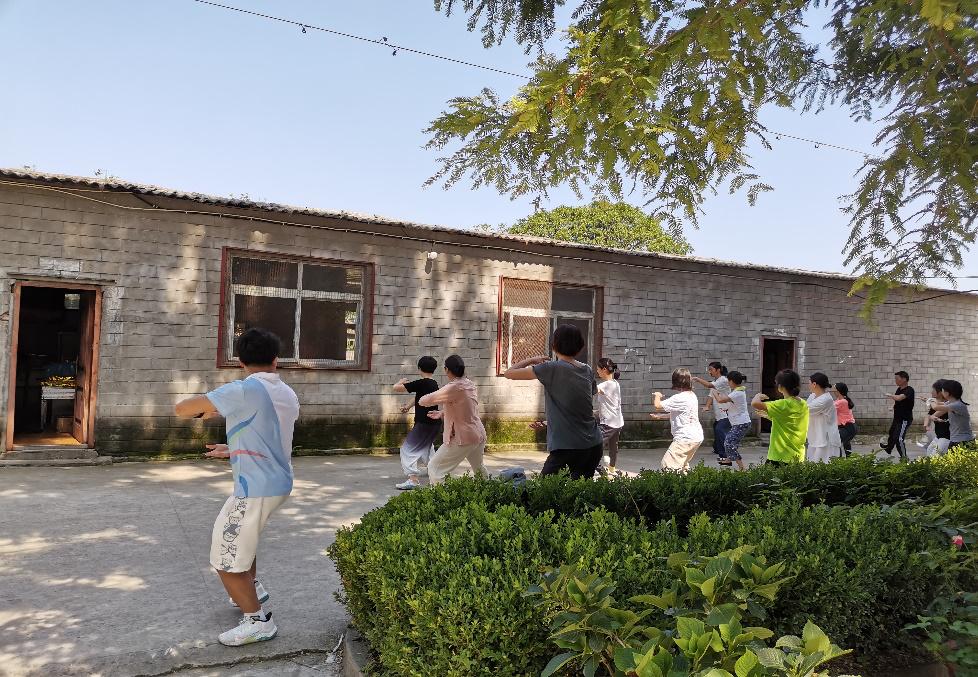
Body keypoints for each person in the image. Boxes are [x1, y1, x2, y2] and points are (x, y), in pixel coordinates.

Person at [174, 328, 299, 647]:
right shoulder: (286, 392)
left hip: (256, 487)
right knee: (244, 539)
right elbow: (271, 434)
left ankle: (258, 622)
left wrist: (211, 405)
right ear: (276, 360)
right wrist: (234, 448)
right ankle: (252, 588)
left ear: (240, 362)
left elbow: (182, 408)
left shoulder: (244, 389)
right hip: (277, 481)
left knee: (224, 557)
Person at [504, 325, 604, 480]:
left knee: (545, 491)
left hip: (567, 447)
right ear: (580, 347)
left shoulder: (551, 368)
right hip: (594, 444)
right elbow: (579, 406)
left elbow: (509, 373)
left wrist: (532, 360)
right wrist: (548, 422)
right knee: (580, 490)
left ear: (554, 345)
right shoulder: (587, 369)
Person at [418, 355, 487, 483]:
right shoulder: (469, 384)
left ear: (447, 370)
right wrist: (443, 413)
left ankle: (442, 496)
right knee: (479, 468)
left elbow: (424, 401)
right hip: (478, 434)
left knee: (435, 468)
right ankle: (488, 491)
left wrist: (423, 387)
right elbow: (465, 407)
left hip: (463, 437)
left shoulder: (453, 387)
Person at [392, 356, 441, 490]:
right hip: (434, 424)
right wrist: (407, 407)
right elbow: (418, 398)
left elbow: (396, 388)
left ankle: (413, 479)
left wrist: (400, 382)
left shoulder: (422, 383)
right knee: (427, 448)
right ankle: (437, 472)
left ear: (419, 368)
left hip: (424, 424)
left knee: (407, 450)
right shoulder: (434, 384)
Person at [651, 368, 704, 473]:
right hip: (696, 437)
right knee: (682, 466)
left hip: (685, 438)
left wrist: (657, 395)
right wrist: (661, 416)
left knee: (668, 465)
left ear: (675, 381)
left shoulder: (679, 398)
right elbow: (681, 413)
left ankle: (675, 483)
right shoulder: (692, 395)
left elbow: (657, 405)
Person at [751, 369, 808, 465]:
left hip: (779, 456)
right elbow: (789, 421)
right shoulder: (803, 403)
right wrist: (768, 416)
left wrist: (758, 395)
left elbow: (755, 403)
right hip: (797, 456)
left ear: (780, 387)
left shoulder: (782, 404)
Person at [709, 370, 750, 470]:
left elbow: (720, 400)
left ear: (731, 381)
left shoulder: (737, 393)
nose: (728, 383)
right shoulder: (737, 391)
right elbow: (733, 404)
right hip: (740, 423)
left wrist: (713, 391)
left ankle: (742, 467)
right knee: (730, 442)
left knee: (728, 443)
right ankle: (728, 459)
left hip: (741, 423)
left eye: (728, 381)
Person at [693, 362, 730, 458]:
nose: (709, 371)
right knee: (716, 427)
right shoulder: (716, 382)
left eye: (711, 369)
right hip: (719, 413)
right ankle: (717, 448)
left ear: (718, 370)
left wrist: (698, 379)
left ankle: (724, 454)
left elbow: (709, 385)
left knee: (719, 429)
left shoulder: (723, 380)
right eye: (709, 369)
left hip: (726, 412)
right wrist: (707, 406)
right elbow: (711, 395)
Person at [595, 357, 624, 474]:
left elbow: (590, 389)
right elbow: (610, 404)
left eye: (598, 369)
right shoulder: (615, 383)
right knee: (613, 447)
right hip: (617, 422)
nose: (597, 371)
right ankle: (612, 469)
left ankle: (600, 469)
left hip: (609, 424)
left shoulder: (606, 385)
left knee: (594, 444)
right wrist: (596, 412)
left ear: (604, 369)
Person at [806, 372, 843, 463]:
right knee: (811, 466)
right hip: (815, 438)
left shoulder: (826, 399)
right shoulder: (812, 396)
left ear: (814, 384)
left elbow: (804, 410)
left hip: (826, 441)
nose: (808, 385)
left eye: (809, 383)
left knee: (823, 466)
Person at [932, 380, 975, 452]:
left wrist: (931, 401)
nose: (941, 393)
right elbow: (939, 404)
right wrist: (928, 400)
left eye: (942, 391)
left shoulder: (957, 405)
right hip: (955, 440)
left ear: (947, 393)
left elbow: (935, 407)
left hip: (964, 441)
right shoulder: (951, 403)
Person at [880, 371, 914, 461]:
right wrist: (892, 406)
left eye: (897, 379)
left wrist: (890, 395)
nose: (895, 381)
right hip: (897, 418)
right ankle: (889, 448)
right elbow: (897, 401)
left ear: (904, 379)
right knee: (891, 433)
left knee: (898, 438)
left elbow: (899, 398)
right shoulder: (899, 389)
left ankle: (904, 457)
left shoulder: (909, 390)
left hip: (904, 419)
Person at [918, 380, 950, 456]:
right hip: (939, 436)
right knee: (929, 452)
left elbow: (936, 408)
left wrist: (929, 401)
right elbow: (930, 414)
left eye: (934, 390)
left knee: (934, 457)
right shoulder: (939, 403)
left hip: (946, 437)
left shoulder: (949, 404)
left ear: (940, 392)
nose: (932, 392)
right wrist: (926, 425)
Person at [832, 382, 857, 457]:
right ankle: (849, 459)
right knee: (845, 442)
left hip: (848, 427)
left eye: (834, 389)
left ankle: (839, 461)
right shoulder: (841, 399)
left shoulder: (842, 402)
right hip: (847, 427)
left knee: (836, 442)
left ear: (838, 391)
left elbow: (829, 407)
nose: (833, 391)